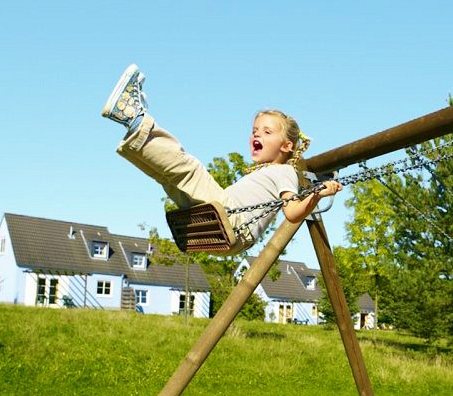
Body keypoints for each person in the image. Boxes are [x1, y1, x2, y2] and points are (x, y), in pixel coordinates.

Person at [101, 64, 342, 254]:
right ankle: (133, 132)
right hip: (224, 223)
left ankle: (133, 117)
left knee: (190, 170)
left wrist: (318, 192)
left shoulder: (285, 172)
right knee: (170, 178)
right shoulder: (263, 172)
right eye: (255, 130)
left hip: (233, 221)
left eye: (267, 132)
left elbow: (291, 212)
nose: (257, 134)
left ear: (287, 146)